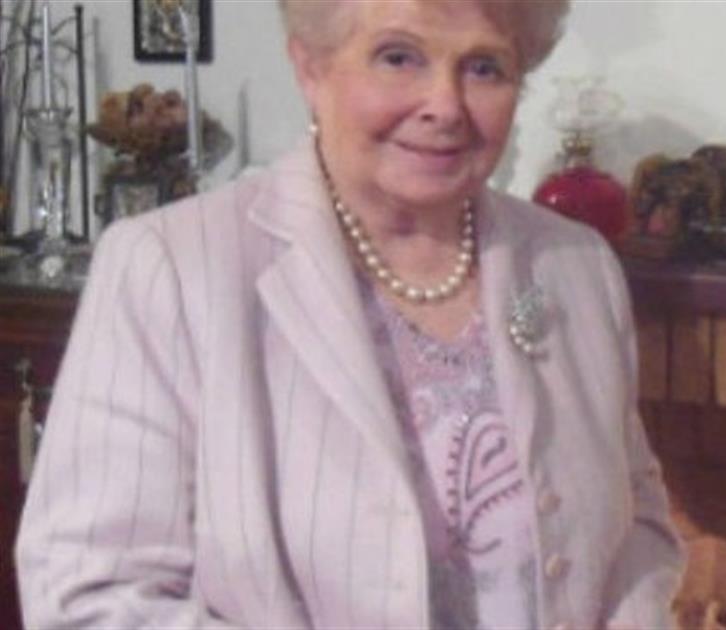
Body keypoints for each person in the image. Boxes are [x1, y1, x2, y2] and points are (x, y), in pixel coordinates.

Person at [15, 1, 685, 627]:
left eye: (484, 67)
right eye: (399, 57)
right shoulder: (169, 266)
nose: (445, 105)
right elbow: (89, 594)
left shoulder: (576, 267)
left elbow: (639, 530)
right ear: (310, 66)